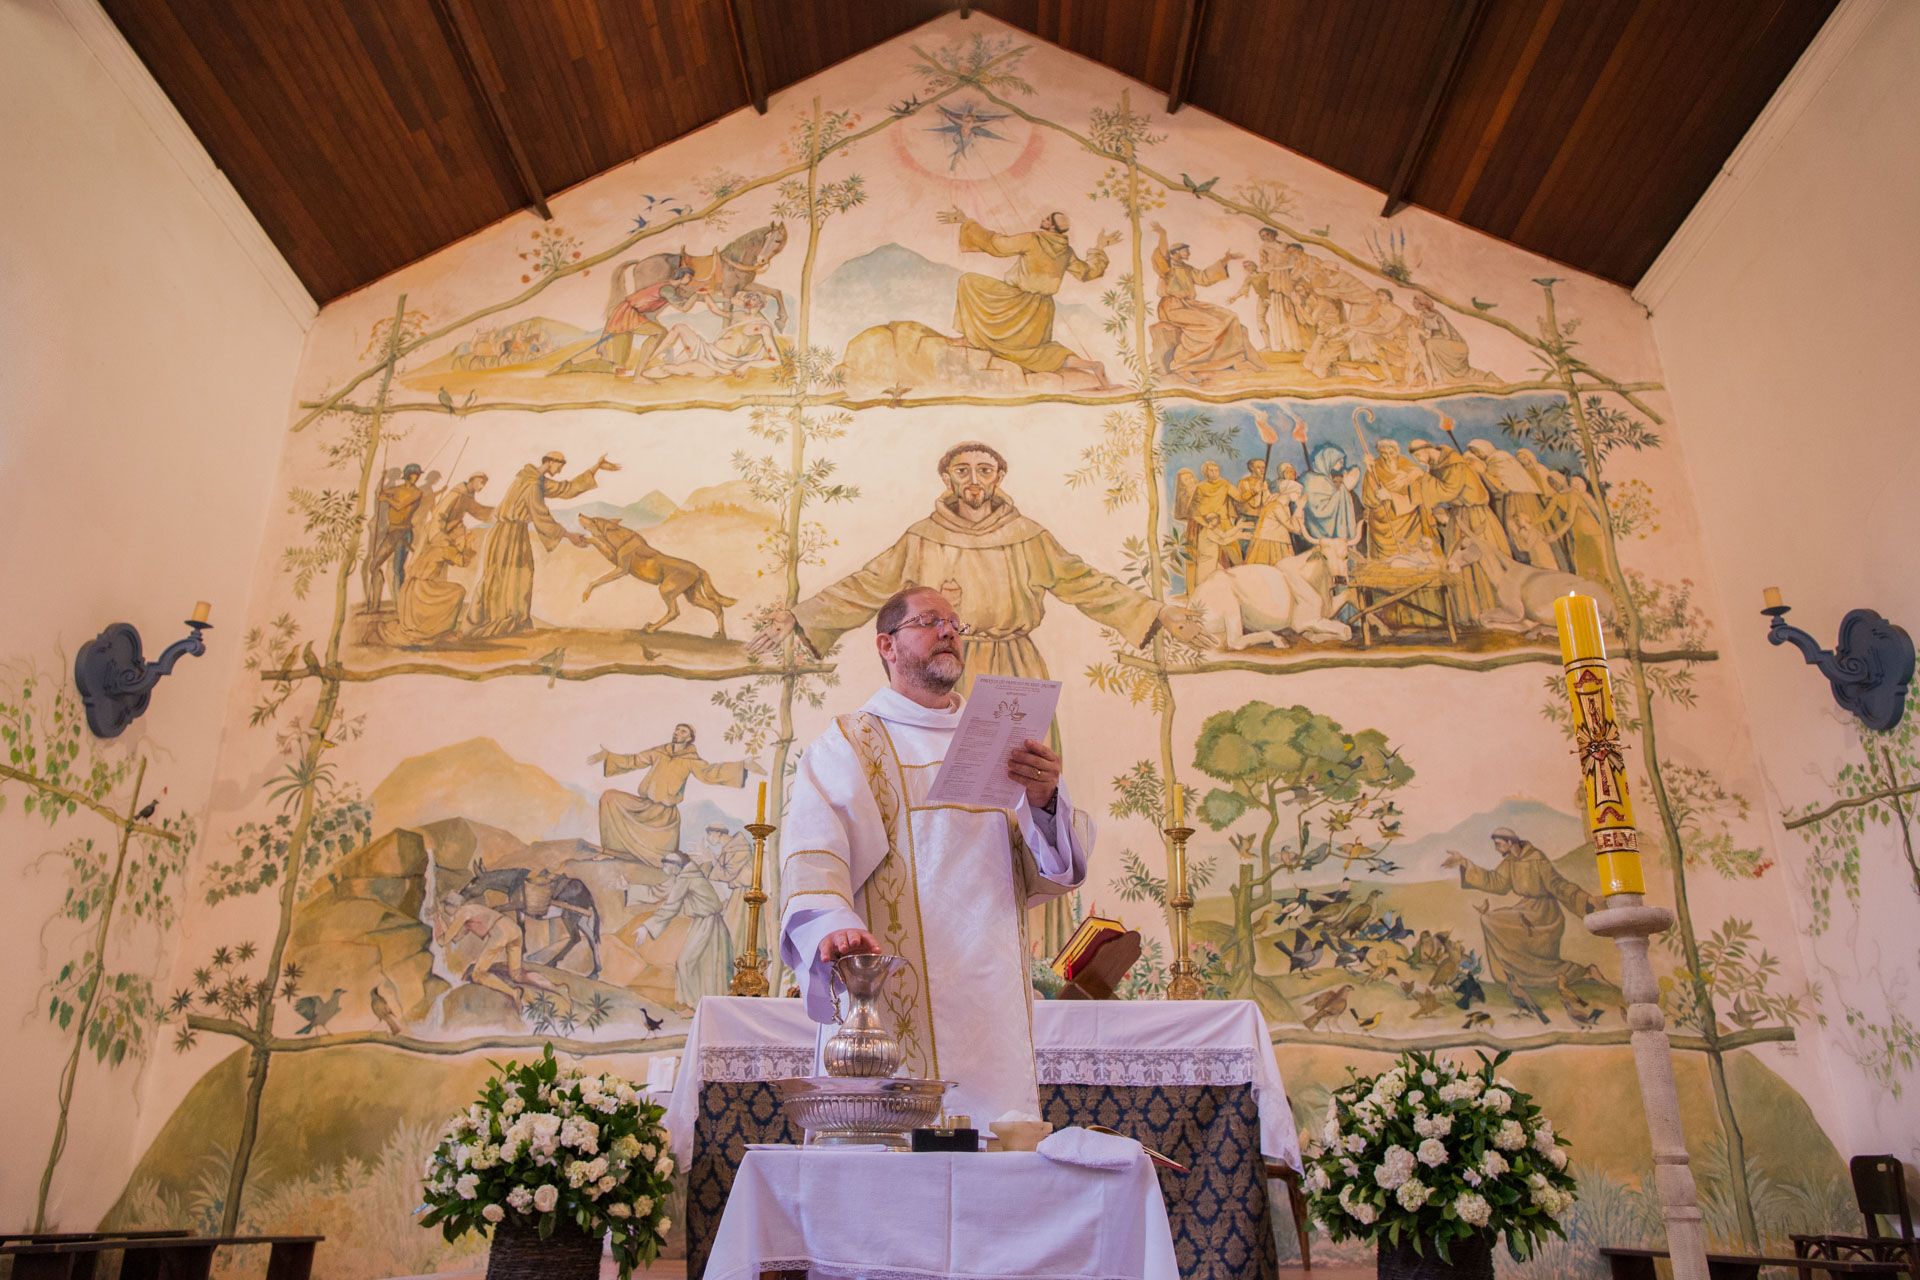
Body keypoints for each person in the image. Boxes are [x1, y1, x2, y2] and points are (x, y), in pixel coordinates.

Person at [778, 585, 1089, 1123]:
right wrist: (832, 921)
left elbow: (1048, 873)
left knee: (995, 1156)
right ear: (887, 646)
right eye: (929, 621)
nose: (948, 631)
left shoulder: (1004, 743)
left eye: (954, 623)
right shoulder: (849, 745)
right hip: (890, 993)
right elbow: (814, 848)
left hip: (991, 998)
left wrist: (1043, 802)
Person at [747, 442, 1202, 695]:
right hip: (942, 665)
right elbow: (867, 585)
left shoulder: (1027, 535)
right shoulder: (923, 536)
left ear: (998, 478)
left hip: (1014, 664)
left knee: (1022, 780)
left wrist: (1157, 612)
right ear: (948, 480)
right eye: (962, 471)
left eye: (984, 470)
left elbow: (1086, 584)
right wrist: (801, 615)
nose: (974, 480)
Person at [935, 208, 1119, 385]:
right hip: (1041, 311)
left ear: (1052, 227)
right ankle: (1092, 365)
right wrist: (1100, 246)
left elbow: (998, 245)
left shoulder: (1033, 239)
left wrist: (966, 222)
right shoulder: (1066, 251)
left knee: (968, 281)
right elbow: (1086, 273)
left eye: (1048, 219)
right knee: (1035, 352)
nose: (1044, 219)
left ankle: (971, 339)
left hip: (1016, 301)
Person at [1442, 828, 1606, 1015]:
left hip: (1545, 915)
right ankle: (1518, 978)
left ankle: (1583, 972)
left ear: (1510, 842)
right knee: (1489, 919)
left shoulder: (1536, 858)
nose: (1496, 849)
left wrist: (1586, 899)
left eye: (1499, 844)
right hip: (1526, 910)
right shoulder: (1511, 862)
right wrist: (1464, 862)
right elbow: (1495, 882)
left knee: (1541, 960)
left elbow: (1557, 884)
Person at [467, 451, 617, 638]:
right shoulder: (532, 484)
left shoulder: (533, 479)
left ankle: (506, 620)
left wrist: (596, 468)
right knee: (510, 576)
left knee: (512, 575)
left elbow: (566, 489)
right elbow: (541, 516)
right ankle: (500, 622)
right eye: (560, 464)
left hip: (509, 533)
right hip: (509, 536)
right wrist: (569, 535)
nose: (561, 469)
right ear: (550, 462)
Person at [590, 723, 763, 861]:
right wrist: (608, 756)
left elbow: (710, 773)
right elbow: (634, 760)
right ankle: (611, 850)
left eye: (682, 731)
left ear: (689, 738)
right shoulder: (659, 752)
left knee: (664, 860)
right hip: (644, 806)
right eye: (676, 730)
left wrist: (743, 766)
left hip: (664, 816)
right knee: (609, 797)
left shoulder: (691, 760)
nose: (677, 733)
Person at [1149, 222, 1260, 382]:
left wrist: (1225, 260)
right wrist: (1163, 233)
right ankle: (1181, 364)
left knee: (1231, 317)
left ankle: (1235, 360)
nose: (1188, 252)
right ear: (1175, 253)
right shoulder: (1166, 268)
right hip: (1172, 308)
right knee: (1212, 325)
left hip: (1190, 305)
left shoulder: (1186, 268)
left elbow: (1204, 277)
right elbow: (1162, 253)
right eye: (1185, 249)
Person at [628, 849, 735, 1009]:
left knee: (686, 962)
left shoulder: (686, 878)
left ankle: (693, 1005)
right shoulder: (688, 874)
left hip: (708, 924)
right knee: (704, 963)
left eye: (667, 865)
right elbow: (661, 891)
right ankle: (699, 1005)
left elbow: (671, 907)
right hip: (706, 922)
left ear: (675, 866)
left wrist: (646, 927)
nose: (665, 868)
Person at [368, 527, 477, 646]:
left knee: (452, 592)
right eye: (461, 527)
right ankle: (442, 631)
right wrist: (469, 544)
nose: (464, 529)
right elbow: (462, 561)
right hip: (421, 589)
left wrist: (461, 544)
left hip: (411, 588)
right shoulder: (445, 548)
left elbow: (452, 557)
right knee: (458, 592)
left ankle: (439, 630)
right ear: (453, 531)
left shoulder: (437, 545)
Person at [364, 462, 425, 612]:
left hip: (404, 533)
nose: (415, 478)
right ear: (406, 475)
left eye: (417, 475)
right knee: (374, 565)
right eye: (412, 474)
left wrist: (386, 497)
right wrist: (382, 480)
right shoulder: (397, 489)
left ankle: (401, 608)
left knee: (398, 571)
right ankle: (374, 605)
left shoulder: (417, 493)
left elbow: (399, 505)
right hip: (392, 532)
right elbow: (379, 493)